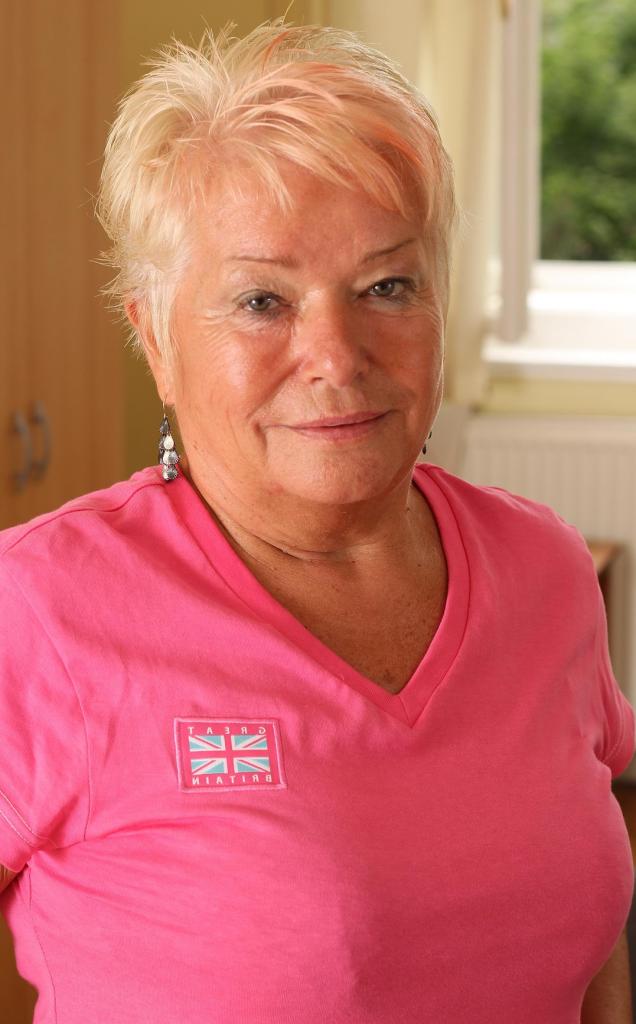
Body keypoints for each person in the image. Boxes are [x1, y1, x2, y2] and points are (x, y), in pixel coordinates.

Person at [0, 19, 634, 1024]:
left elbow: (591, 951)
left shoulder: (546, 569)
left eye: (387, 285)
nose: (337, 355)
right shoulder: (38, 609)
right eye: (262, 300)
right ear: (156, 340)